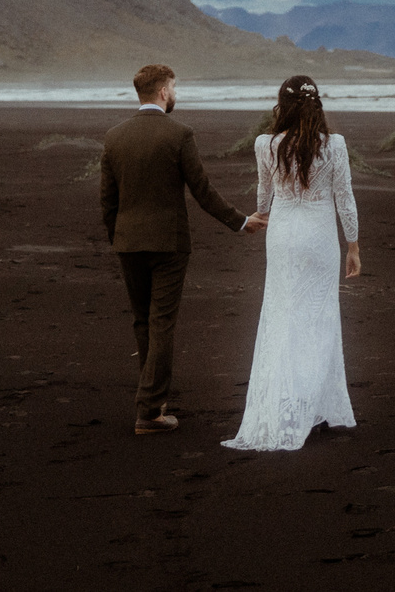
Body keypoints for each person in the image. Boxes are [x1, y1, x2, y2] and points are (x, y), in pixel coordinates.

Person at [98, 63, 254, 435]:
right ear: (164, 91)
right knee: (161, 322)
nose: (175, 93)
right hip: (168, 244)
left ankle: (152, 402)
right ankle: (149, 411)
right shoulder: (180, 134)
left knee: (142, 321)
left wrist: (117, 237)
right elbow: (202, 190)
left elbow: (107, 200)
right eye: (174, 87)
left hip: (128, 242)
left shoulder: (114, 137)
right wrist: (241, 221)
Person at [224, 74, 361, 452]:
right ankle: (312, 406)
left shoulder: (266, 144)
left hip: (283, 236)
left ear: (282, 105)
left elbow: (263, 193)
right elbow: (344, 198)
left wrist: (260, 216)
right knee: (318, 317)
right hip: (319, 239)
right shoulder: (335, 145)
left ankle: (289, 404)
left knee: (283, 314)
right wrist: (353, 245)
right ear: (317, 105)